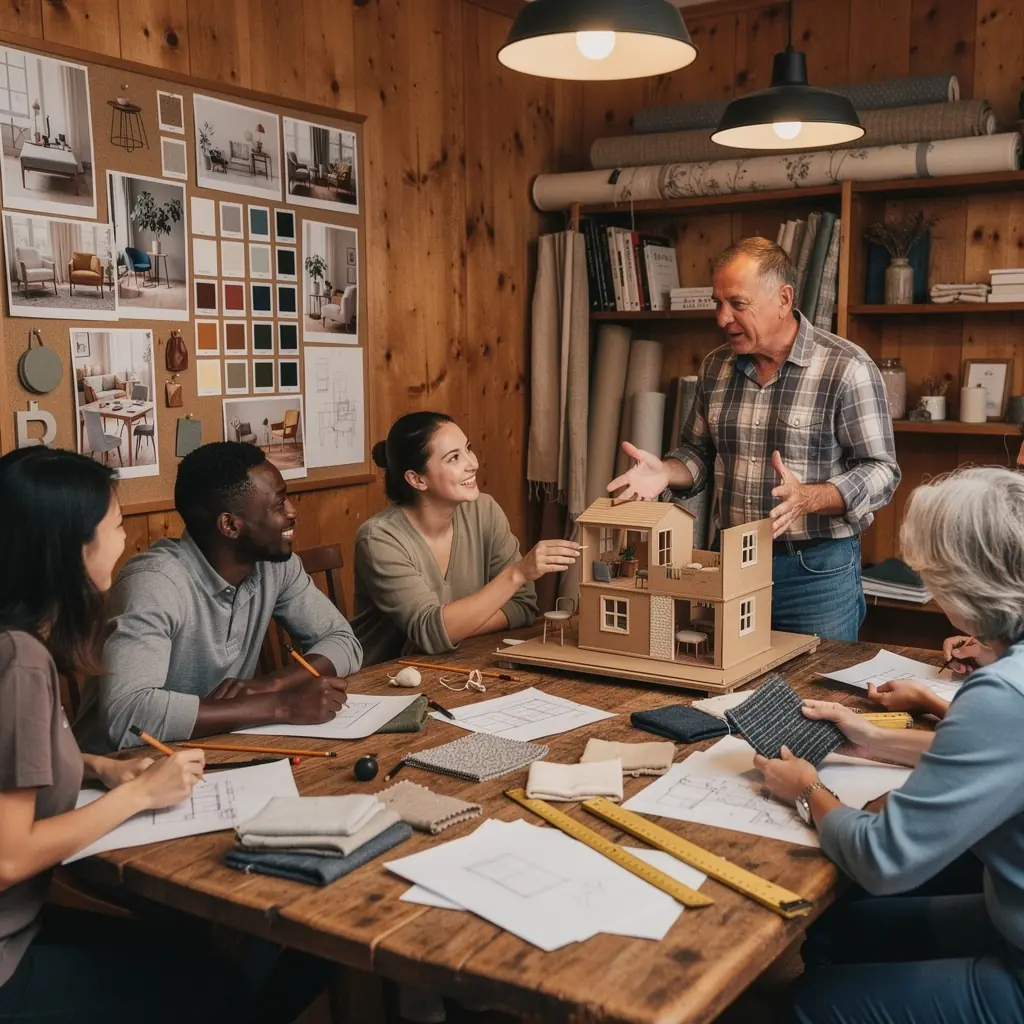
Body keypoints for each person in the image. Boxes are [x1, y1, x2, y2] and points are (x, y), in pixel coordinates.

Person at [754, 466, 1024, 1023]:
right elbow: (1000, 760)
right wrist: (876, 738)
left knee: (809, 1006)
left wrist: (807, 791)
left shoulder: (1002, 692)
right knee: (846, 929)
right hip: (1010, 914)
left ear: (968, 585)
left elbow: (883, 858)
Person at [0, 446, 233, 1021]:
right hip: (10, 961)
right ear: (70, 547)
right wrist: (141, 795)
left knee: (190, 946)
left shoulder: (16, 643)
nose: (127, 540)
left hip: (29, 925)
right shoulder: (20, 659)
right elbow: (8, 856)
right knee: (224, 986)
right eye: (117, 525)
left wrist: (96, 766)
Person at [608, 237, 900, 641]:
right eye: (718, 303)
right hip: (732, 564)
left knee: (816, 680)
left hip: (815, 573)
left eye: (737, 304)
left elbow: (882, 471)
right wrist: (666, 472)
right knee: (726, 677)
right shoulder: (715, 368)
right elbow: (698, 452)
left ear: (784, 299)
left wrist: (810, 497)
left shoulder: (846, 367)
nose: (722, 318)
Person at [76, 442, 362, 751]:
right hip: (120, 768)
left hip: (211, 752)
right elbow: (127, 715)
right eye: (279, 504)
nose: (293, 511)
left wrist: (271, 685)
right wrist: (281, 705)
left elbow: (344, 641)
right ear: (230, 525)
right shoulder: (154, 583)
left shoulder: (275, 565)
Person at [352, 412, 580, 666]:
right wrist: (517, 574)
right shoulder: (379, 539)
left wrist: (450, 632)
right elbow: (430, 629)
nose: (473, 463)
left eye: (468, 449)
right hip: (382, 678)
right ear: (417, 479)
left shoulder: (484, 510)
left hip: (457, 663)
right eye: (454, 458)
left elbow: (522, 605)